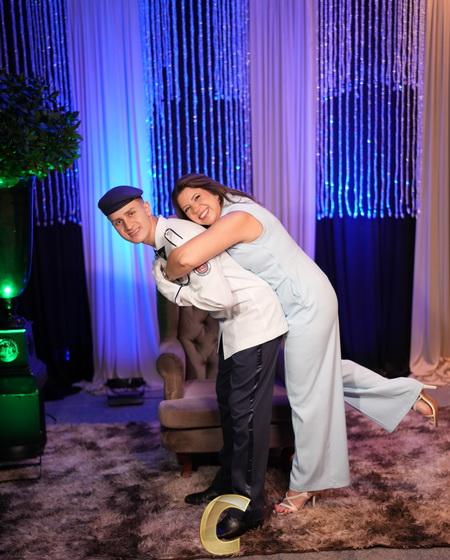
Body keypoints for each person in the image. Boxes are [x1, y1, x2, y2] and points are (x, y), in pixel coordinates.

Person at [165, 173, 439, 514]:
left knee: (304, 394)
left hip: (306, 303)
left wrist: (165, 270)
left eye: (198, 198)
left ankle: (305, 484)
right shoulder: (232, 214)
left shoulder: (236, 218)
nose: (196, 209)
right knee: (319, 374)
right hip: (299, 303)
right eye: (187, 209)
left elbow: (184, 258)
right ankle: (407, 395)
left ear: (213, 192)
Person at [98, 185, 288, 536]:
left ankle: (250, 505)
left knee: (246, 418)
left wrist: (176, 288)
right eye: (117, 222)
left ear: (147, 208)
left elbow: (218, 298)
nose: (127, 225)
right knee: (230, 408)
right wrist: (173, 284)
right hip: (234, 327)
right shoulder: (162, 250)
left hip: (255, 321)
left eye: (131, 214)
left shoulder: (177, 236)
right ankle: (227, 483)